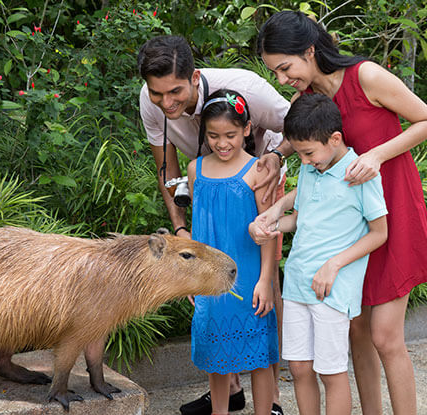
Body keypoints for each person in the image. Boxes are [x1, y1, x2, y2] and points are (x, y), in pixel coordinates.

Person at [256, 11, 427, 415]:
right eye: (276, 72)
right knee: (355, 330)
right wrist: (274, 156)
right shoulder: (304, 101)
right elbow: (303, 140)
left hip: (391, 208)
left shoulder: (367, 76)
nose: (283, 79)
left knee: (386, 336)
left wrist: (376, 154)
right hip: (345, 230)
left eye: (286, 68)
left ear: (309, 51)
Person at [137, 35, 288, 415]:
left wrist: (270, 161)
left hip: (260, 172)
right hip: (207, 184)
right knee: (217, 313)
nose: (166, 103)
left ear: (194, 77)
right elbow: (168, 172)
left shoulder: (250, 90)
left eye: (175, 92)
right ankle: (229, 393)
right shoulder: (151, 101)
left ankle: (270, 403)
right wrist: (181, 231)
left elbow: (300, 122)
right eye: (158, 94)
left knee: (261, 299)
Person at [249, 93, 388, 415]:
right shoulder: (314, 168)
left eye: (308, 152)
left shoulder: (360, 174)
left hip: (331, 289)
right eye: (299, 154)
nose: (305, 160)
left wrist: (333, 264)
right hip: (298, 281)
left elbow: (379, 233)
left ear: (334, 138)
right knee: (298, 367)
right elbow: (304, 217)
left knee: (330, 370)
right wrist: (270, 222)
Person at [187, 88, 280, 415]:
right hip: (210, 278)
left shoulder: (258, 171)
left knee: (257, 356)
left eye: (230, 134)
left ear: (246, 128)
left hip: (250, 275)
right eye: (213, 136)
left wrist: (265, 280)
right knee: (216, 351)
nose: (222, 143)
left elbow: (268, 233)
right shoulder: (194, 169)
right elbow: (198, 232)